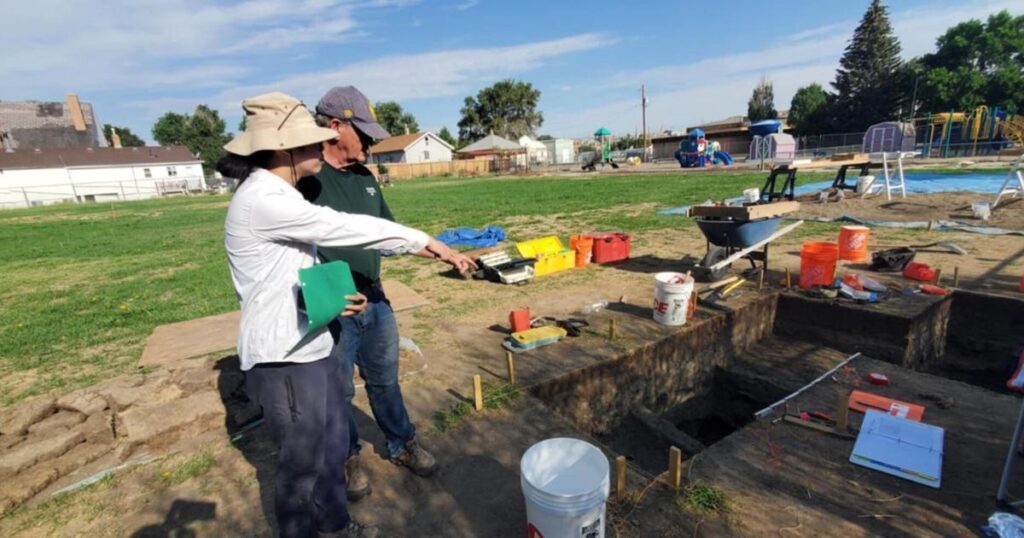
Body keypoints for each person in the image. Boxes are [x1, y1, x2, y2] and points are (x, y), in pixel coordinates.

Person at [221, 92, 468, 538]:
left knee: (333, 448)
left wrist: (336, 296)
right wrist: (423, 241)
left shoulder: (281, 192)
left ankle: (336, 526)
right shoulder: (263, 198)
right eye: (311, 141)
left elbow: (292, 268)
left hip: (311, 344)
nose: (321, 146)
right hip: (284, 360)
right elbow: (342, 228)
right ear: (284, 150)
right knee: (302, 467)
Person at [296, 86, 476, 501]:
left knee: (385, 381)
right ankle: (347, 455)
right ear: (335, 126)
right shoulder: (306, 179)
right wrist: (327, 294)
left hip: (375, 300)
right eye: (364, 131)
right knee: (337, 390)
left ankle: (402, 442)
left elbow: (388, 235)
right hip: (333, 305)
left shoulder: (366, 179)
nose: (373, 141)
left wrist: (441, 253)